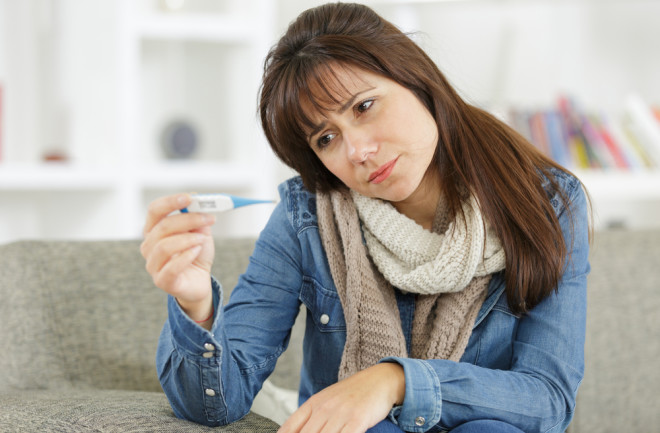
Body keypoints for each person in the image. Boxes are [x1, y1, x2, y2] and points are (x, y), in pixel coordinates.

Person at [140, 3, 591, 433]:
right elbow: (218, 404)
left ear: (415, 77)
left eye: (364, 106)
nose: (358, 152)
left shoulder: (547, 201)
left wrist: (395, 382)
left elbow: (547, 401)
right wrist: (195, 306)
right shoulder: (309, 215)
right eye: (326, 138)